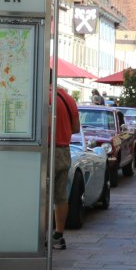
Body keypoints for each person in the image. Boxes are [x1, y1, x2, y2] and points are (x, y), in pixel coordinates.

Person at [50, 84, 80, 250]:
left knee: (42, 196)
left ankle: (40, 237)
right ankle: (58, 235)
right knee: (60, 196)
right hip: (64, 150)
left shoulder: (44, 97)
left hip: (47, 150)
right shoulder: (68, 99)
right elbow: (76, 128)